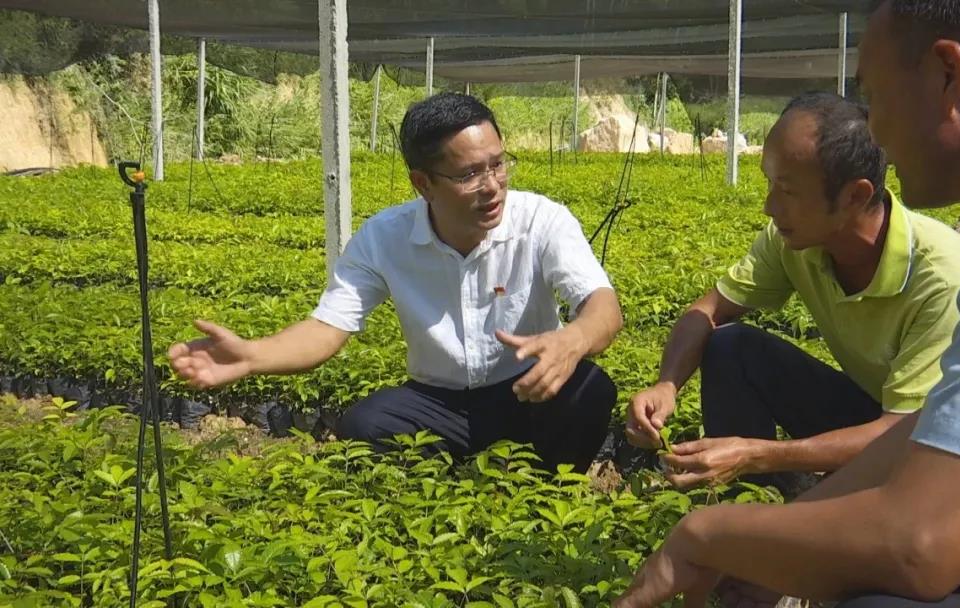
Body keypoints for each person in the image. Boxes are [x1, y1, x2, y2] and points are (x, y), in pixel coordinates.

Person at [614, 0, 960, 606]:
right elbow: (936, 423)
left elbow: (921, 545)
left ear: (947, 76)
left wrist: (706, 533)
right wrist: (779, 538)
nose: (875, 133)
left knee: (870, 596)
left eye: (876, 96)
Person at [168, 92, 623, 473]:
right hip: (439, 403)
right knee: (364, 427)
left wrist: (573, 339)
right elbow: (327, 328)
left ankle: (545, 499)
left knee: (589, 388)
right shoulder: (384, 237)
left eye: (499, 165)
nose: (493, 186)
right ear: (422, 183)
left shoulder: (542, 220)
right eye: (469, 174)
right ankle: (442, 507)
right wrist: (252, 356)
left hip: (527, 389)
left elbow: (602, 304)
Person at [625, 91, 960, 499]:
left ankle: (782, 518)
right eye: (769, 184)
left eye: (787, 191)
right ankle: (744, 510)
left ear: (854, 196)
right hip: (876, 412)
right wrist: (667, 384)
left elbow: (902, 434)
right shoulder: (796, 241)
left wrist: (761, 454)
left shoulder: (941, 278)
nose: (769, 207)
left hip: (943, 450)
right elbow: (709, 310)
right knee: (731, 346)